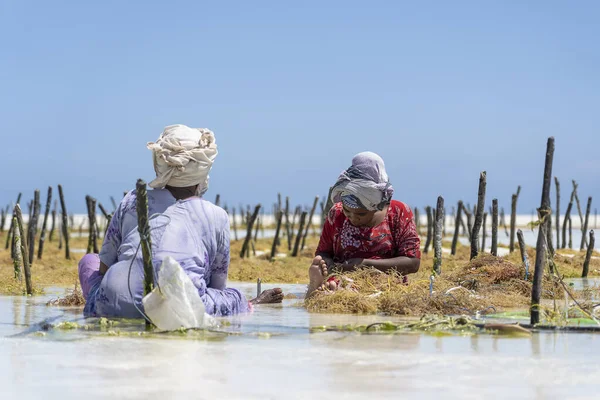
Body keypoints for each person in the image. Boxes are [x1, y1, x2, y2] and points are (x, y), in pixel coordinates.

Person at [79, 124, 283, 318]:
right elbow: (216, 287)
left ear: (159, 163)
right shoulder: (216, 215)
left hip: (110, 306)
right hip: (181, 312)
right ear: (203, 169)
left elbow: (104, 269)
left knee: (89, 260)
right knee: (234, 296)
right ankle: (251, 305)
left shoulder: (131, 200)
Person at [307, 151, 421, 297]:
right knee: (336, 288)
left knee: (371, 290)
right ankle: (320, 288)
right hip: (343, 278)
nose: (353, 218)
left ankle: (332, 290)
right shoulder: (336, 213)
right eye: (347, 211)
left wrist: (364, 265)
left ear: (375, 205)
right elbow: (324, 252)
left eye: (361, 214)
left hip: (386, 284)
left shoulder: (399, 212)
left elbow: (413, 263)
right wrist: (326, 263)